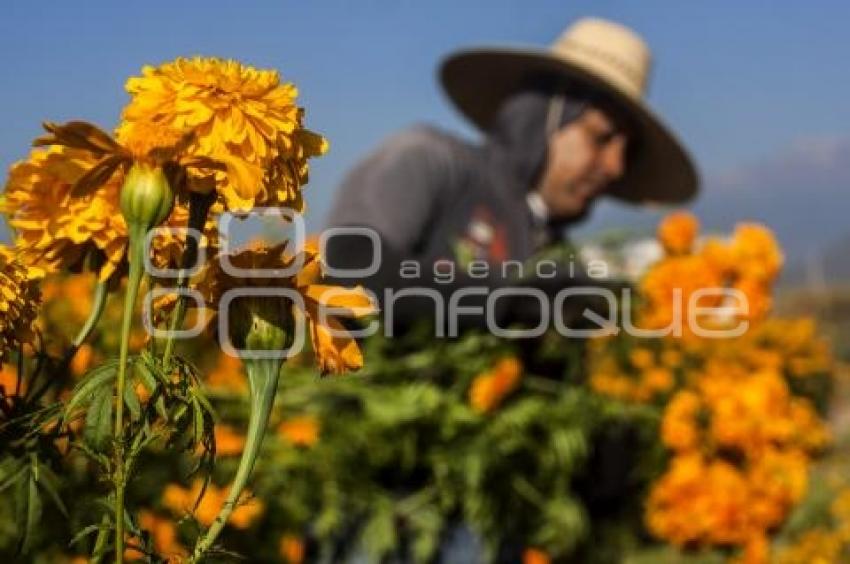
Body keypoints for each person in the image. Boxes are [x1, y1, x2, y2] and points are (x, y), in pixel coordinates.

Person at [324, 17, 698, 337]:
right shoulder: (429, 159)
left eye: (626, 153)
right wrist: (513, 302)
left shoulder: (559, 256)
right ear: (541, 119)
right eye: (601, 137)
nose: (617, 167)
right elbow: (348, 270)